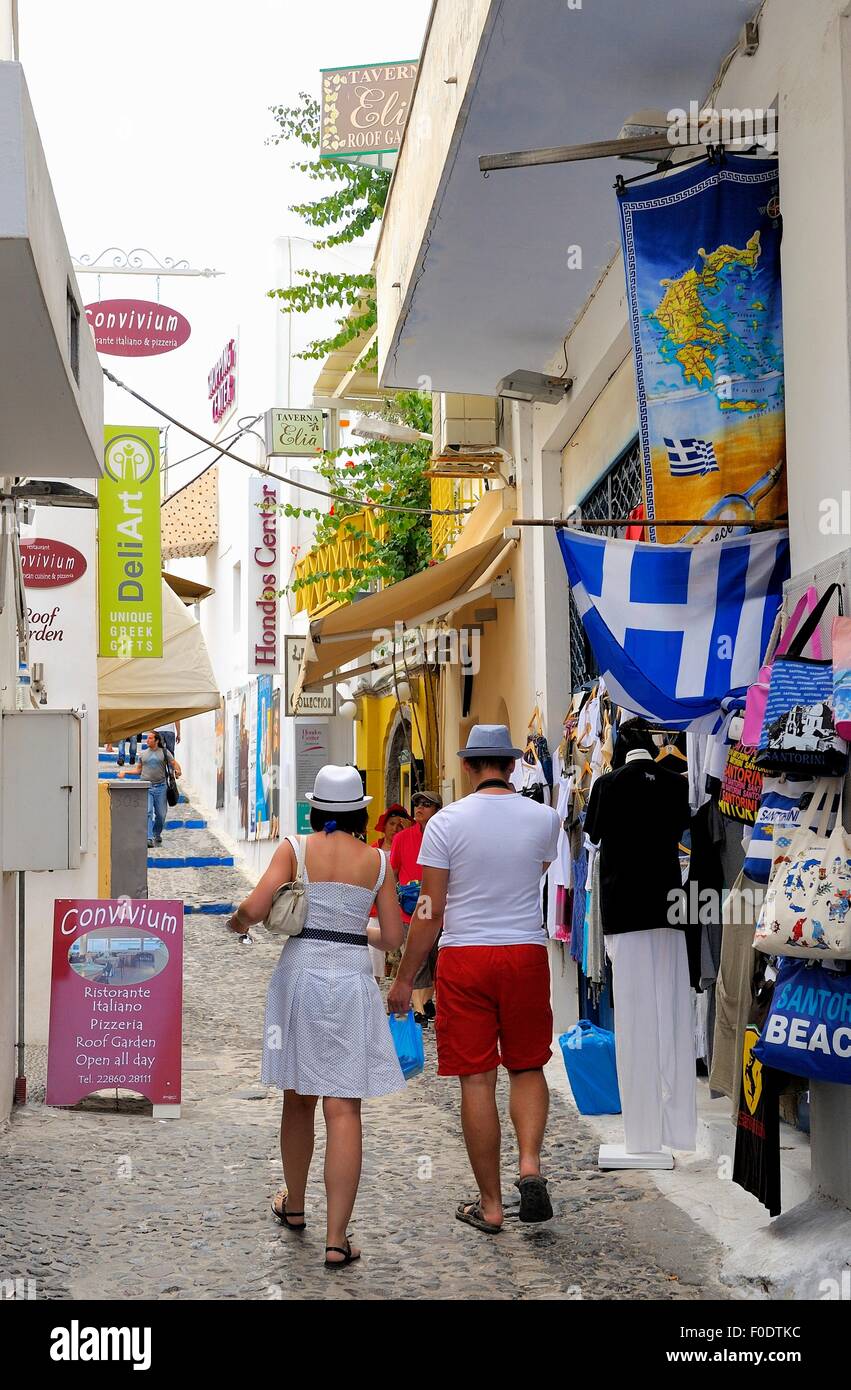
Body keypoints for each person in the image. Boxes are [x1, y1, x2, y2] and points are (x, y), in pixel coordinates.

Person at [226, 765, 405, 1268]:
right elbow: (391, 937)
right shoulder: (378, 861)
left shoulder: (295, 848)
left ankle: (296, 1206)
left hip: (300, 976)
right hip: (351, 979)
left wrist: (238, 922)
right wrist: (355, 933)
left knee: (299, 1099)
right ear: (361, 812)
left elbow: (256, 906)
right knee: (344, 1108)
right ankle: (336, 1239)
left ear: (316, 809)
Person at [388, 725, 560, 1235]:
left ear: (468, 767)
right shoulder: (545, 819)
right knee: (528, 1066)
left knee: (477, 1078)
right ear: (510, 766)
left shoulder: (445, 823)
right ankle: (530, 1165)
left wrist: (404, 978)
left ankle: (490, 1205)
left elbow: (429, 909)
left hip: (465, 959)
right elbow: (537, 871)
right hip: (526, 953)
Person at [390, 790, 442, 1024]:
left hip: (439, 906)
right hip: (409, 907)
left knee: (436, 959)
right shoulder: (402, 838)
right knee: (416, 957)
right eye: (417, 804)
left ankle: (426, 1002)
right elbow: (393, 872)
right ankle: (420, 1009)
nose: (419, 807)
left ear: (437, 810)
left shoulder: (443, 836)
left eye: (426, 804)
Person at [369, 803, 413, 983]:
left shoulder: (408, 849)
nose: (396, 828)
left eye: (400, 825)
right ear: (385, 826)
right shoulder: (373, 850)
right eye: (392, 823)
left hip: (404, 907)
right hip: (376, 908)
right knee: (374, 954)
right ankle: (374, 987)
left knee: (408, 951)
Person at [119, 731, 181, 848]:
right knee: (147, 812)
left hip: (161, 787)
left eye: (150, 738)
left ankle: (156, 833)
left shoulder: (164, 752)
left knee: (161, 814)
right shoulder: (143, 754)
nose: (147, 740)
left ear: (157, 740)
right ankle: (149, 837)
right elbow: (138, 771)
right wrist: (125, 772)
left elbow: (174, 764)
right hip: (146, 786)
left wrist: (178, 771)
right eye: (147, 738)